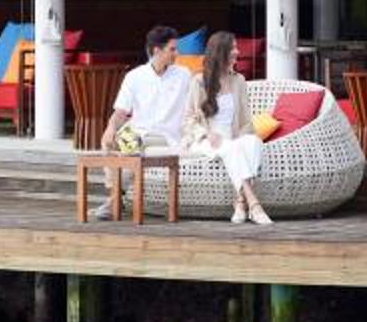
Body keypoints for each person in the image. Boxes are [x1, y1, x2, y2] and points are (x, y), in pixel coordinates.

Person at [100, 25, 196, 218]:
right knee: (109, 141)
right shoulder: (134, 76)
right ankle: (116, 195)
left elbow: (196, 105)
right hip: (138, 132)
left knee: (133, 145)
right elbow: (121, 111)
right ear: (156, 50)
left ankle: (114, 201)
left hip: (167, 136)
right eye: (172, 49)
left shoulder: (184, 75)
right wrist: (110, 129)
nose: (177, 53)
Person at [184, 30, 270, 225]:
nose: (237, 52)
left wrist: (244, 137)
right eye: (233, 48)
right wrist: (206, 133)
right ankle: (254, 204)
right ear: (220, 52)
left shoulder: (238, 80)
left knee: (253, 142)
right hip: (206, 140)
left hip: (232, 138)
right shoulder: (199, 81)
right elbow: (188, 119)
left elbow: (246, 119)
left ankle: (240, 202)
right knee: (233, 148)